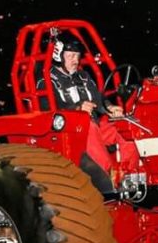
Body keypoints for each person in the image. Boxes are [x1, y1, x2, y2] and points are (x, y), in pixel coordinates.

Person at [49, 33, 138, 188]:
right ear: (59, 56)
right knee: (90, 128)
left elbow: (98, 99)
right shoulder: (48, 80)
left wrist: (110, 107)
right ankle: (110, 181)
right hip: (71, 130)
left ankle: (131, 178)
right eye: (70, 56)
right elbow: (48, 108)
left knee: (125, 130)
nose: (75, 60)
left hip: (94, 123)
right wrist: (77, 107)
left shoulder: (83, 76)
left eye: (77, 56)